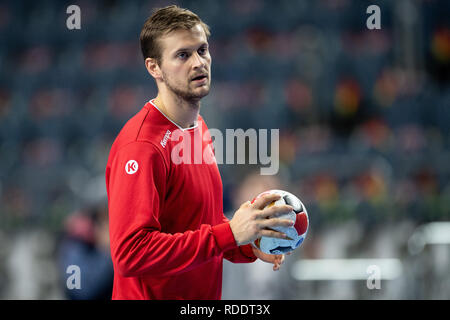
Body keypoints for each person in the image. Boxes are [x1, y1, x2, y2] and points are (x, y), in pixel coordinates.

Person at [105, 5, 294, 300]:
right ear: (154, 67)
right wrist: (229, 234)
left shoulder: (197, 126)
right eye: (183, 55)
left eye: (202, 50)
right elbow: (131, 254)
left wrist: (245, 243)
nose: (198, 62)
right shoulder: (141, 147)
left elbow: (196, 222)